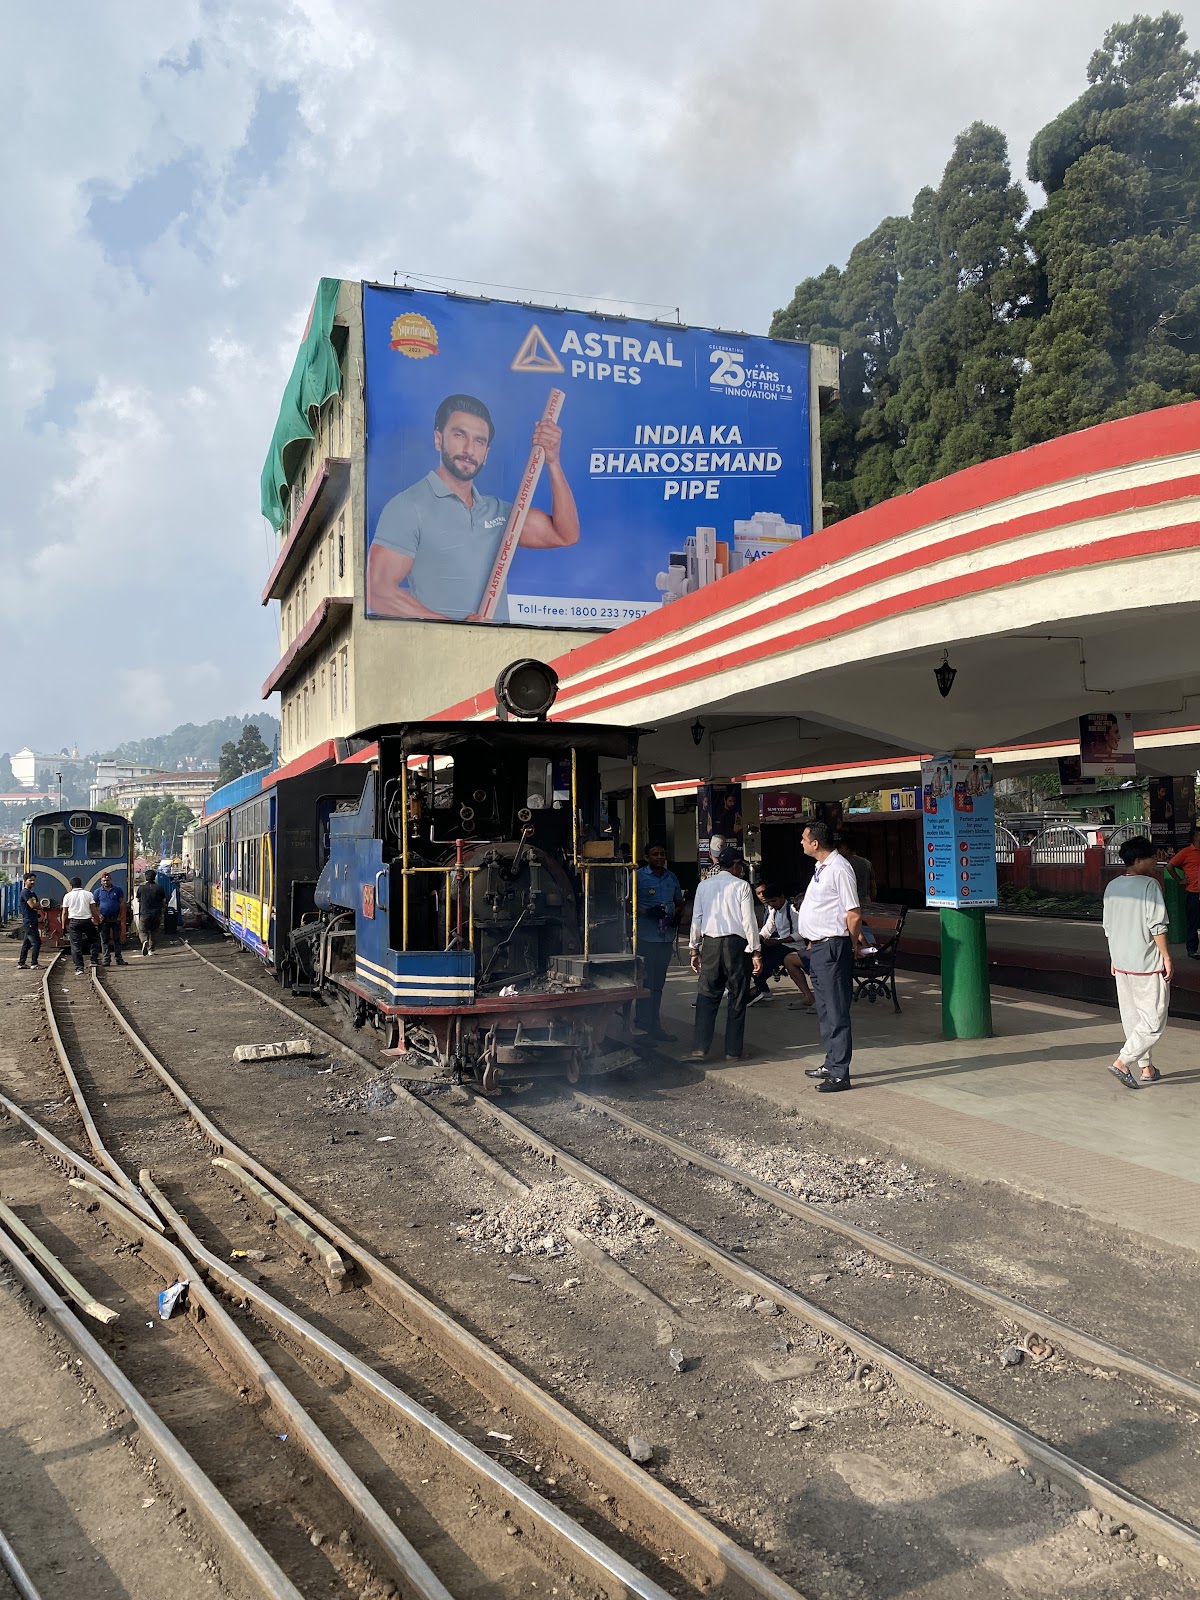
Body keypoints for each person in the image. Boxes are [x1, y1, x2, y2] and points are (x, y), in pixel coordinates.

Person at [365, 393, 579, 622]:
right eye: (459, 435)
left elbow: (564, 534)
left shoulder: (500, 514)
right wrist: (458, 630)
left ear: (486, 454)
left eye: (479, 441)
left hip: (500, 653)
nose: (469, 449)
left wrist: (553, 462)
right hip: (441, 651)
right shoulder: (408, 506)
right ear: (438, 439)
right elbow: (378, 591)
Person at [797, 820, 863, 1093]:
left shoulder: (840, 868)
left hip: (833, 946)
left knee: (836, 1010)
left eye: (803, 838)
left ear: (816, 843)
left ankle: (840, 1073)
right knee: (824, 1008)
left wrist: (847, 944)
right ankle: (831, 1061)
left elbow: (854, 912)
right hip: (819, 947)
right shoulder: (821, 868)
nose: (801, 842)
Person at [1102, 836, 1172, 1088]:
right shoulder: (1149, 886)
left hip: (1121, 962)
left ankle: (1147, 1068)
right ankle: (1123, 1061)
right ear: (1139, 860)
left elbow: (1108, 927)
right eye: (1152, 857)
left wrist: (1113, 957)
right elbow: (1157, 925)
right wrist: (1166, 955)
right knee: (1153, 1020)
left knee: (1132, 1018)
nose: (1156, 860)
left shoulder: (1112, 886)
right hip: (1146, 963)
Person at [687, 845, 762, 1061]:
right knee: (737, 998)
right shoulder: (742, 886)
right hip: (736, 947)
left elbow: (697, 919)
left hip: (710, 945)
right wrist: (756, 951)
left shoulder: (704, 885)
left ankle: (699, 1049)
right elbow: (749, 921)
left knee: (707, 997)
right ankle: (732, 1052)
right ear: (737, 866)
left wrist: (694, 949)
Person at [633, 844, 684, 1040]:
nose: (660, 857)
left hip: (665, 938)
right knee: (646, 983)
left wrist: (678, 915)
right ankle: (642, 1026)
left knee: (658, 985)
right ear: (647, 857)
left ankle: (655, 1026)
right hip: (646, 938)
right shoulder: (637, 876)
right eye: (655, 854)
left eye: (663, 854)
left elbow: (679, 902)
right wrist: (647, 911)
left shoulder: (671, 877)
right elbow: (627, 902)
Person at [750, 884, 814, 1008]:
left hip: (794, 946)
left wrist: (780, 941)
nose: (772, 904)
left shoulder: (793, 910)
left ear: (782, 897)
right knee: (755, 953)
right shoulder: (773, 911)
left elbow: (801, 932)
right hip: (779, 943)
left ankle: (761, 989)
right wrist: (758, 939)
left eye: (774, 901)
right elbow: (767, 928)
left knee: (770, 961)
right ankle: (762, 987)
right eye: (769, 903)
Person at [1168, 824, 1200, 961]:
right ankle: (1192, 949)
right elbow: (1170, 866)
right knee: (1193, 921)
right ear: (1194, 838)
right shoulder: (1186, 852)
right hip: (1193, 892)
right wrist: (1179, 880)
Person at [61, 877, 99, 975]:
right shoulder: (88, 894)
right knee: (95, 940)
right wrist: (98, 920)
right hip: (87, 921)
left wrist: (63, 926)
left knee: (75, 945)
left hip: (74, 922)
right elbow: (94, 910)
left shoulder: (67, 896)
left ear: (71, 885)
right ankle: (93, 960)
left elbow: (64, 913)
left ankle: (79, 968)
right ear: (81, 884)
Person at [93, 870, 126, 967]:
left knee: (117, 939)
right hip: (104, 920)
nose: (106, 882)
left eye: (107, 880)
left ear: (111, 880)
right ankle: (106, 959)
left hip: (115, 919)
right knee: (104, 940)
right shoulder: (97, 892)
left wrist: (120, 916)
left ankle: (119, 959)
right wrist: (99, 916)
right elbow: (94, 905)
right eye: (104, 880)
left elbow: (122, 903)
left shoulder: (118, 890)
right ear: (101, 881)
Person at [838, 833, 877, 905]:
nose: (838, 850)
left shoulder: (843, 863)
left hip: (851, 903)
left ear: (847, 848)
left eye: (840, 847)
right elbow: (873, 886)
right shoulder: (867, 863)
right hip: (866, 901)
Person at [134, 869, 166, 956]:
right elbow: (164, 901)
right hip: (156, 913)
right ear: (155, 877)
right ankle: (151, 950)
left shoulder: (141, 888)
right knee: (154, 931)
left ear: (145, 877)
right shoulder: (159, 888)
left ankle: (144, 941)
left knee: (143, 930)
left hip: (144, 913)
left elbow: (138, 899)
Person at [16, 873, 42, 970]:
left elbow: (37, 904)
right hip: (29, 921)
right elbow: (33, 905)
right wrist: (39, 905)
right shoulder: (25, 892)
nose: (32, 882)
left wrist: (38, 905)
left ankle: (21, 963)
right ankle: (34, 963)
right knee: (36, 943)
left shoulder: (32, 893)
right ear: (25, 881)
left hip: (32, 920)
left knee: (27, 943)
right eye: (30, 880)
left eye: (34, 880)